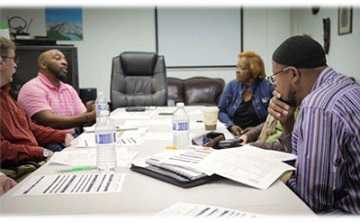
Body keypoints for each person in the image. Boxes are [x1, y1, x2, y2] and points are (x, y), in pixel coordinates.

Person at [269, 35, 360, 214]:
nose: (275, 87)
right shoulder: (349, 85)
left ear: (293, 74)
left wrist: (274, 175)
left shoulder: (317, 107)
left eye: (275, 77)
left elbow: (312, 200)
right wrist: (288, 124)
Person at [0, 37, 73, 168]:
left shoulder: (6, 95)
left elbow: (31, 128)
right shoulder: (30, 88)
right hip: (16, 167)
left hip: (31, 159)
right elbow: (2, 150)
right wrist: (42, 152)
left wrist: (62, 136)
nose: (15, 65)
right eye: (13, 59)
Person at [17, 49, 96, 133]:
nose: (65, 62)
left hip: (70, 138)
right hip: (49, 142)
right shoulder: (32, 88)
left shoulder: (68, 89)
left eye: (64, 59)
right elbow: (50, 122)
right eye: (58, 58)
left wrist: (92, 108)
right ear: (43, 64)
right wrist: (90, 116)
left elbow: (82, 117)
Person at [218, 51, 273, 136]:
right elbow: (221, 111)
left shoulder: (268, 87)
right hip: (234, 134)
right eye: (237, 67)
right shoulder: (232, 86)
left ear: (253, 71)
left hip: (259, 135)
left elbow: (272, 118)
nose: (237, 71)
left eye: (242, 68)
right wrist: (231, 125)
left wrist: (256, 130)